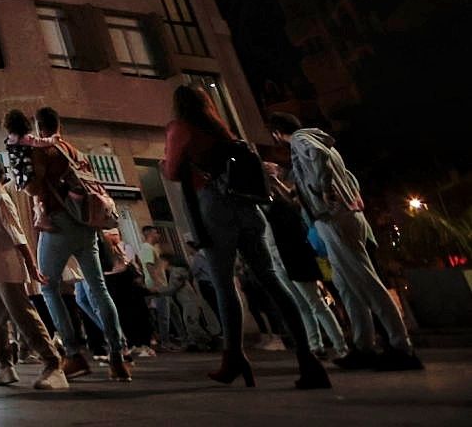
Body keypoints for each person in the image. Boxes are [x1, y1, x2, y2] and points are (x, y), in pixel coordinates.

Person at [163, 85, 330, 389]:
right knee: (272, 280)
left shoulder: (181, 128)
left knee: (225, 285)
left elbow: (173, 170)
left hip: (214, 209)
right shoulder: (222, 131)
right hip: (249, 208)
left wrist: (166, 163)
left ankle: (234, 356)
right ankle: (308, 358)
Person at [267, 112, 421, 371]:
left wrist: (326, 190)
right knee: (347, 287)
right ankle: (364, 347)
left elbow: (319, 158)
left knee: (365, 281)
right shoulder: (319, 142)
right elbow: (334, 180)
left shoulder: (302, 140)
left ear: (275, 133)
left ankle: (401, 346)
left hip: (333, 219)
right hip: (338, 218)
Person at [24, 106, 133, 382]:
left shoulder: (45, 149)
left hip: (59, 224)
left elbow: (34, 187)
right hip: (86, 226)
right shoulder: (75, 152)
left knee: (48, 286)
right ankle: (118, 358)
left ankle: (73, 354)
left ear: (40, 127)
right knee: (98, 289)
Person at [0, 155, 65, 390]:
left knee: (23, 315)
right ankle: (5, 365)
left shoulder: (2, 201)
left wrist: (31, 269)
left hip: (7, 268)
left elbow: (18, 236)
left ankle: (53, 364)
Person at [263, 164, 345, 358]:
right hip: (278, 257)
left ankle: (341, 346)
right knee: (301, 304)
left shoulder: (285, 200)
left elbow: (294, 203)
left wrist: (274, 182)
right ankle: (315, 345)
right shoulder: (265, 202)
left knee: (314, 302)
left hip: (294, 255)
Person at [138, 226, 182, 349]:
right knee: (164, 314)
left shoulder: (150, 248)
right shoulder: (147, 248)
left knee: (173, 311)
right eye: (157, 233)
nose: (159, 236)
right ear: (150, 234)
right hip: (158, 286)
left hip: (159, 285)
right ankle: (165, 342)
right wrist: (158, 284)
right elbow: (149, 266)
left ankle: (180, 338)